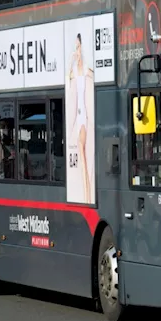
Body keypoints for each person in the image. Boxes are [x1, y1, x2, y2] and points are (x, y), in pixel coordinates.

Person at [67, 32, 94, 198]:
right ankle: (87, 195)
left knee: (85, 155)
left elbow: (95, 77)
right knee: (82, 154)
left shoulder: (86, 69)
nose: (76, 50)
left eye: (78, 47)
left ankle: (88, 195)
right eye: (75, 47)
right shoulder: (75, 70)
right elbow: (67, 78)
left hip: (85, 116)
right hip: (78, 117)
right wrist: (71, 61)